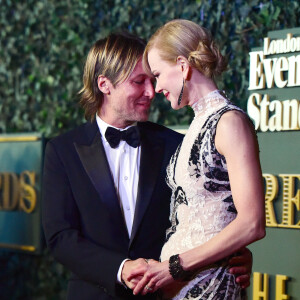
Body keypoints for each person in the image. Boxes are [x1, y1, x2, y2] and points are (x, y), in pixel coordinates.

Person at [42, 32, 253, 300]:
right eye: (138, 82)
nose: (151, 92)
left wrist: (233, 257)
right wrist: (120, 269)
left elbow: (206, 214)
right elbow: (61, 238)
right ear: (105, 85)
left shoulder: (177, 144)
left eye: (152, 81)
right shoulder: (62, 151)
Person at [128, 20, 266, 299]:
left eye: (157, 75)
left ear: (182, 65)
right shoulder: (196, 126)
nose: (155, 89)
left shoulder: (229, 122)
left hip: (211, 287)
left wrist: (175, 268)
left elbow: (252, 223)